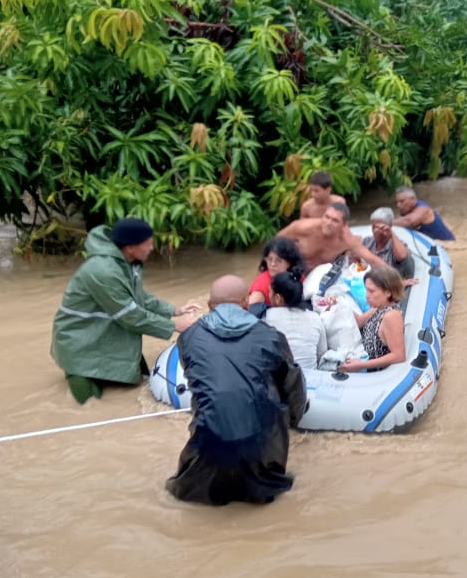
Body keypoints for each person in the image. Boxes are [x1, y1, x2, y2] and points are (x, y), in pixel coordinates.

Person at [165, 275, 307, 506]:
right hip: (260, 448)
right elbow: (293, 386)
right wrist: (293, 420)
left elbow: (201, 384)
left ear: (211, 306)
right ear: (246, 304)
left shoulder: (189, 338)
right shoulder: (271, 336)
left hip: (207, 445)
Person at [51, 217, 200, 404]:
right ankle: (76, 373)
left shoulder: (126, 262)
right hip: (80, 346)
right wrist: (174, 326)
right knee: (88, 403)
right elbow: (131, 317)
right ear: (130, 248)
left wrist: (174, 310)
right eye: (148, 243)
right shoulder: (103, 271)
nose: (152, 248)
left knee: (139, 381)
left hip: (103, 336)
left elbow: (138, 296)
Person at [277, 202, 387, 272]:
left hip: (319, 278)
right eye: (327, 217)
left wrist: (396, 278)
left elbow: (371, 258)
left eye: (335, 220)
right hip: (291, 270)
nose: (328, 223)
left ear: (344, 225)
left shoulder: (347, 239)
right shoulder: (303, 227)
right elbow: (274, 243)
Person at [339, 265, 406, 373]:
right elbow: (359, 322)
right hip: (362, 360)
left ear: (388, 292)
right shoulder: (378, 308)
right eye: (366, 290)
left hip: (374, 375)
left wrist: (361, 365)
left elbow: (399, 355)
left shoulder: (392, 316)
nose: (367, 296)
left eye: (372, 291)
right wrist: (338, 304)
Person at [264, 270, 328, 370]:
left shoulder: (268, 317)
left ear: (278, 298)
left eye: (270, 292)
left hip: (282, 381)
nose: (268, 295)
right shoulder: (315, 318)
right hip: (311, 380)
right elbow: (322, 353)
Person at [247, 236, 305, 308]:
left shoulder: (297, 277)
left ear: (289, 262)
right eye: (269, 259)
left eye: (278, 260)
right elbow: (250, 311)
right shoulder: (262, 284)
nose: (272, 264)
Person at [362, 207, 414, 278]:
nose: (375, 231)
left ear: (389, 226)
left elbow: (402, 257)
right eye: (374, 227)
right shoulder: (367, 241)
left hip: (388, 283)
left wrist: (390, 233)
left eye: (380, 227)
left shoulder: (397, 245)